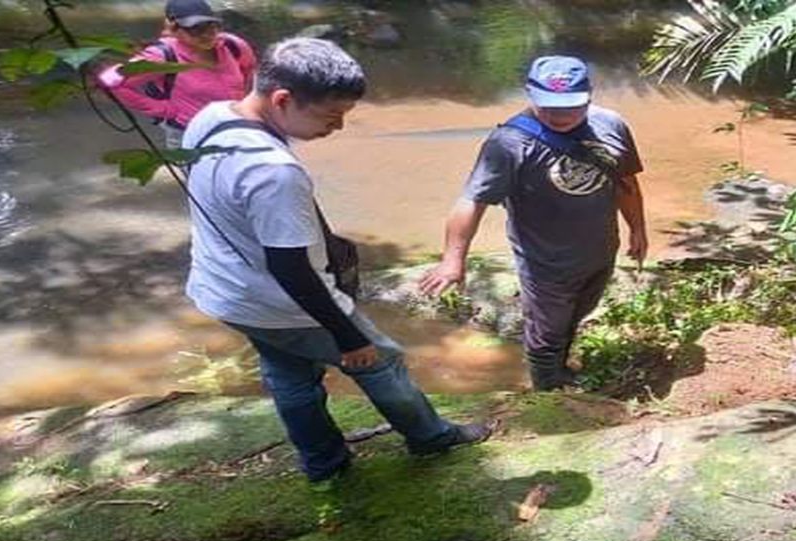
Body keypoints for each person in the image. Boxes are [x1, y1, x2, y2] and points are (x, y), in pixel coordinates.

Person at [180, 37, 489, 483]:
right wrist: (348, 338)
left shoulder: (209, 118)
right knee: (380, 361)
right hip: (283, 302)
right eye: (330, 116)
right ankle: (431, 438)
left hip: (225, 290)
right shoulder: (273, 172)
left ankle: (325, 464)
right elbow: (291, 268)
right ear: (282, 99)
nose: (339, 127)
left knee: (289, 375)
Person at [418, 55, 647, 391]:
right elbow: (473, 199)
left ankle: (562, 370)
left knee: (577, 314)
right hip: (545, 261)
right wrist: (453, 260)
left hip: (600, 249)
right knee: (547, 332)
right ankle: (547, 391)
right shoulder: (509, 143)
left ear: (588, 96)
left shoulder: (612, 125)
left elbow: (626, 181)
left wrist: (638, 227)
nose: (560, 115)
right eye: (549, 106)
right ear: (529, 94)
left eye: (571, 106)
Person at [96, 0, 256, 148]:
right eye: (196, 29)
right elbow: (109, 81)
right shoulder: (162, 56)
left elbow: (249, 69)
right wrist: (163, 110)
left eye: (211, 26)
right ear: (174, 29)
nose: (207, 34)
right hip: (190, 135)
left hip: (235, 126)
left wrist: (246, 104)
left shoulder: (232, 45)